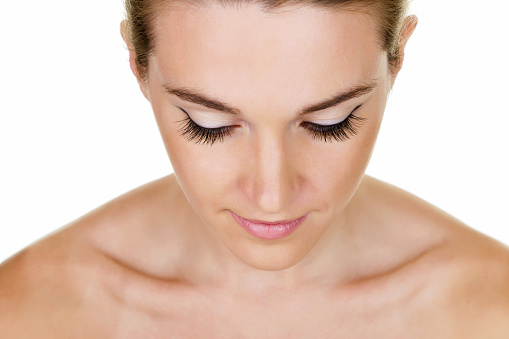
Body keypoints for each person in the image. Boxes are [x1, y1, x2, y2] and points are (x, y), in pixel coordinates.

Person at [1, 0, 508, 337]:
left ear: (397, 58)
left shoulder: (492, 311)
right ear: (137, 64)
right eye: (209, 124)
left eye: (331, 123)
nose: (271, 195)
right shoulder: (25, 314)